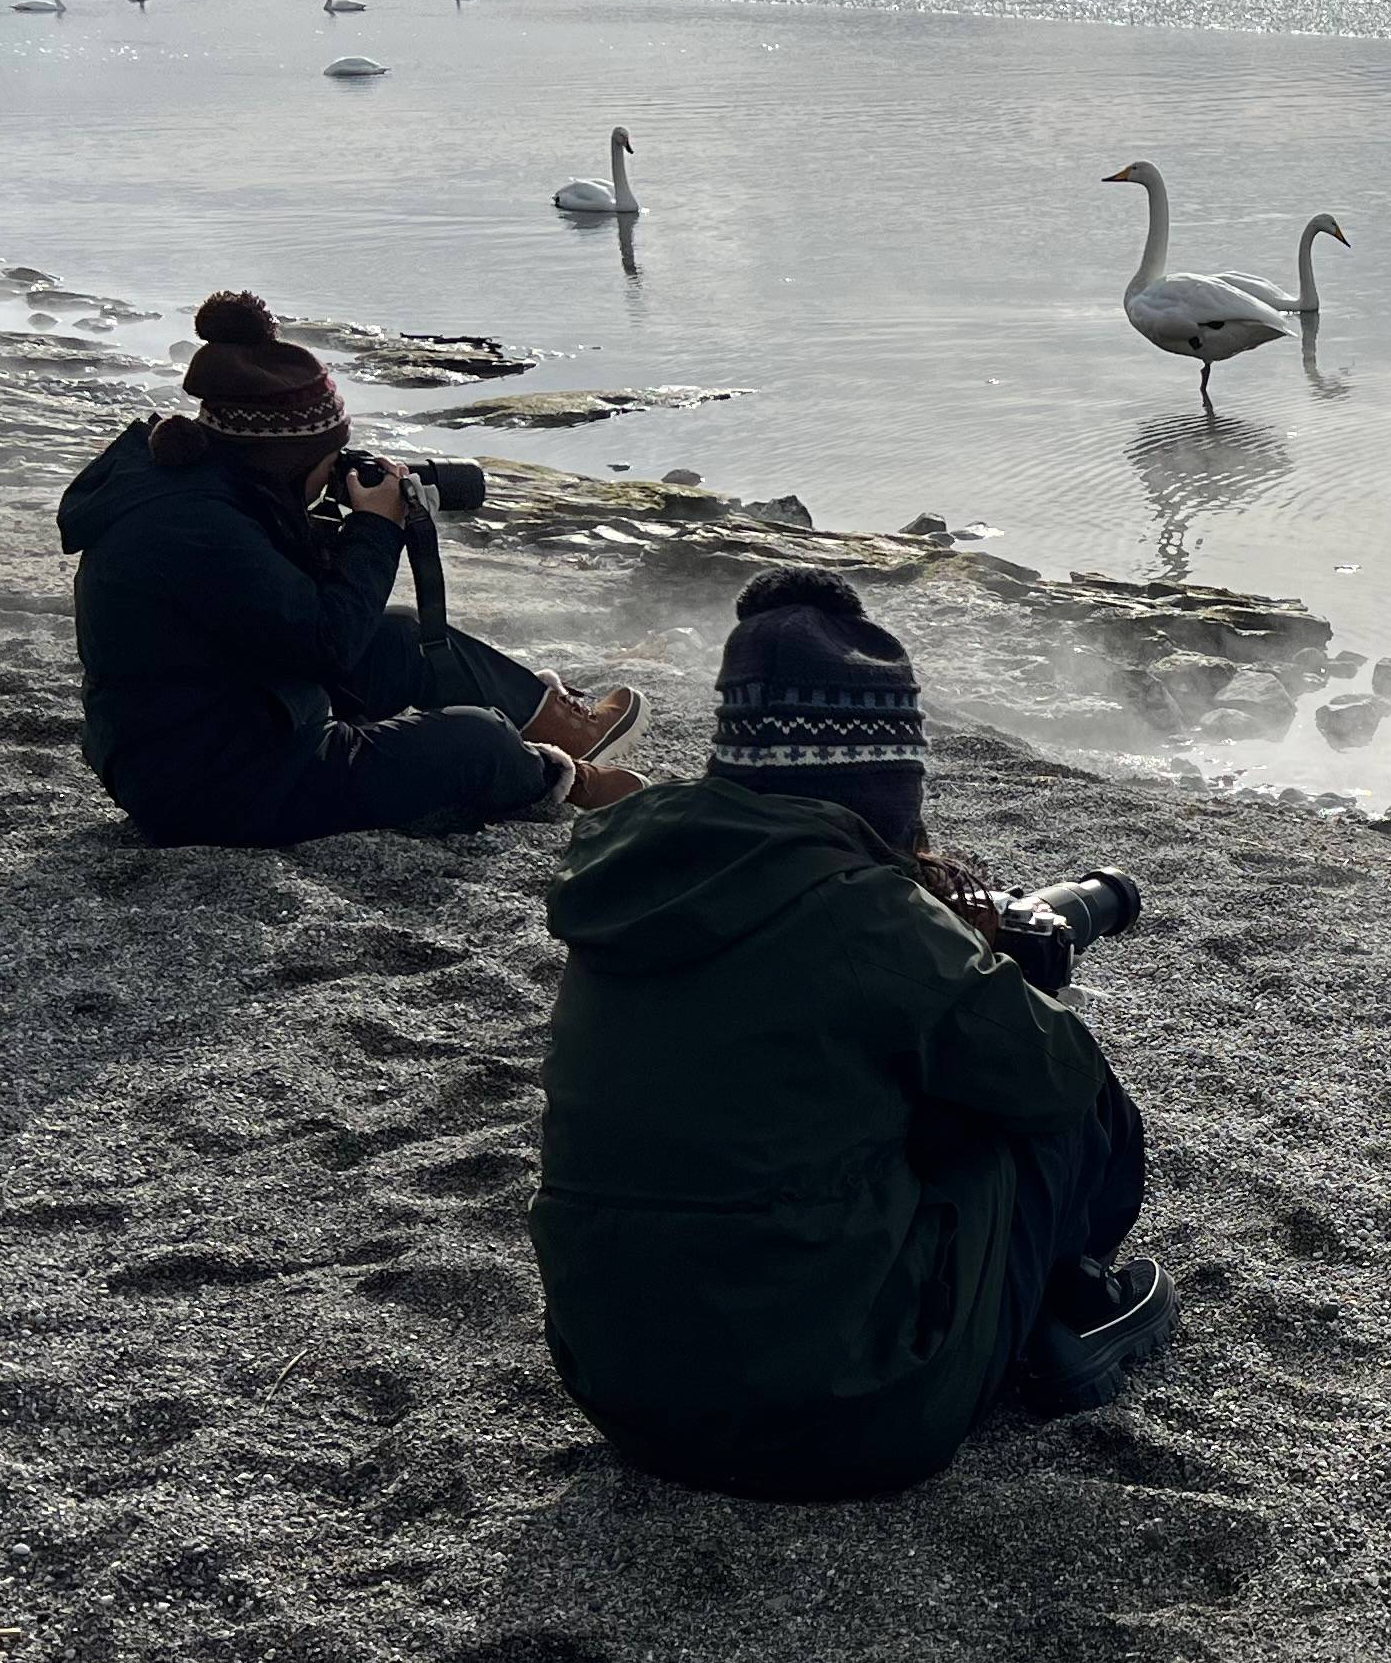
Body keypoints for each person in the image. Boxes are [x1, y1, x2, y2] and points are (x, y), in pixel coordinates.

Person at [529, 568, 1169, 1500]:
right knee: (1066, 1109)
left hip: (623, 1395)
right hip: (842, 1419)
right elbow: (1060, 1081)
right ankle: (1066, 1306)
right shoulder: (866, 917)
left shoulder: (633, 888)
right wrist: (994, 972)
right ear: (879, 776)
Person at [59, 291, 644, 843]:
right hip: (217, 781)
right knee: (477, 739)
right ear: (285, 460)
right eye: (329, 459)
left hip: (215, 724)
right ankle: (564, 780)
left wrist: (326, 525)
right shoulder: (196, 526)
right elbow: (326, 642)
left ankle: (566, 728)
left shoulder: (204, 488)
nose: (335, 471)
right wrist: (376, 528)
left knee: (399, 639)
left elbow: (274, 611)